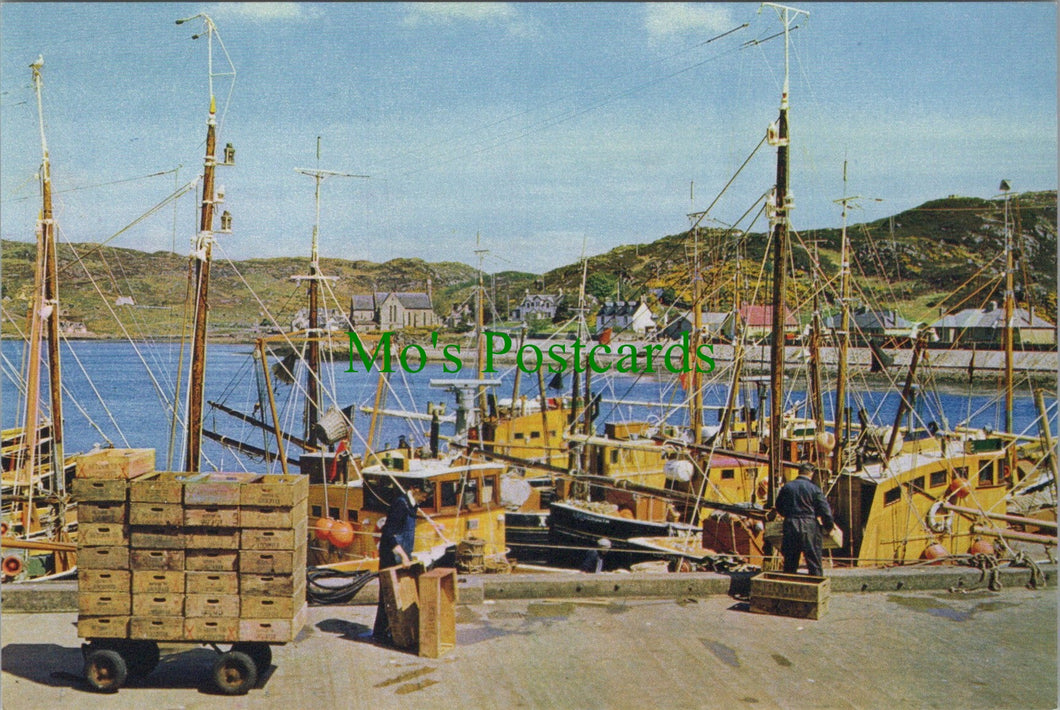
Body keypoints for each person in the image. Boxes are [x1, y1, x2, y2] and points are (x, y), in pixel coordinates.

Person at [372, 481, 431, 644]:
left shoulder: (412, 505)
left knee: (398, 593)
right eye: (423, 496)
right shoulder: (400, 504)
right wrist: (403, 556)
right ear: (415, 490)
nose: (424, 499)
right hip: (392, 555)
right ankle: (381, 633)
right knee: (387, 594)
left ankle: (392, 630)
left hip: (403, 552)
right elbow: (389, 533)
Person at [774, 462, 834, 577]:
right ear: (811, 473)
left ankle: (789, 590)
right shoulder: (814, 489)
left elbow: (779, 506)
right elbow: (825, 511)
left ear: (799, 472)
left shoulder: (787, 487)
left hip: (791, 525)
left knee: (790, 563)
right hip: (810, 526)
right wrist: (829, 527)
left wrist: (789, 516)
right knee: (814, 562)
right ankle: (815, 590)